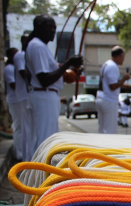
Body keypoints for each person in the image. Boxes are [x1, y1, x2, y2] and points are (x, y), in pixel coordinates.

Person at [24, 15, 83, 156]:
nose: (52, 31)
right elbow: (44, 79)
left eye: (54, 28)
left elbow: (53, 74)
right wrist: (68, 63)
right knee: (46, 139)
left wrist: (69, 69)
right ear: (38, 28)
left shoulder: (39, 46)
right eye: (49, 27)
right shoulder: (37, 46)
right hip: (44, 94)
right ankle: (41, 173)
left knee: (43, 136)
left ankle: (39, 171)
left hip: (44, 95)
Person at [96, 46, 131, 134]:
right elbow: (113, 86)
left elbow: (116, 84)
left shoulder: (105, 64)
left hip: (101, 97)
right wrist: (124, 78)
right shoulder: (112, 66)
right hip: (108, 99)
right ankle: (108, 147)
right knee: (110, 130)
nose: (123, 60)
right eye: (123, 57)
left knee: (102, 129)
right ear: (120, 56)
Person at [13, 34, 31, 161]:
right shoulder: (20, 55)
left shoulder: (26, 55)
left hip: (27, 95)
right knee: (26, 127)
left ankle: (27, 155)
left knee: (29, 127)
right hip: (24, 95)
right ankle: (24, 156)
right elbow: (23, 73)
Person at [4, 48, 22, 160]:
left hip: (17, 100)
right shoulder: (9, 69)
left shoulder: (13, 68)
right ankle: (18, 153)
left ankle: (20, 152)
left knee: (21, 127)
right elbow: (12, 84)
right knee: (18, 127)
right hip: (15, 100)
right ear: (11, 56)